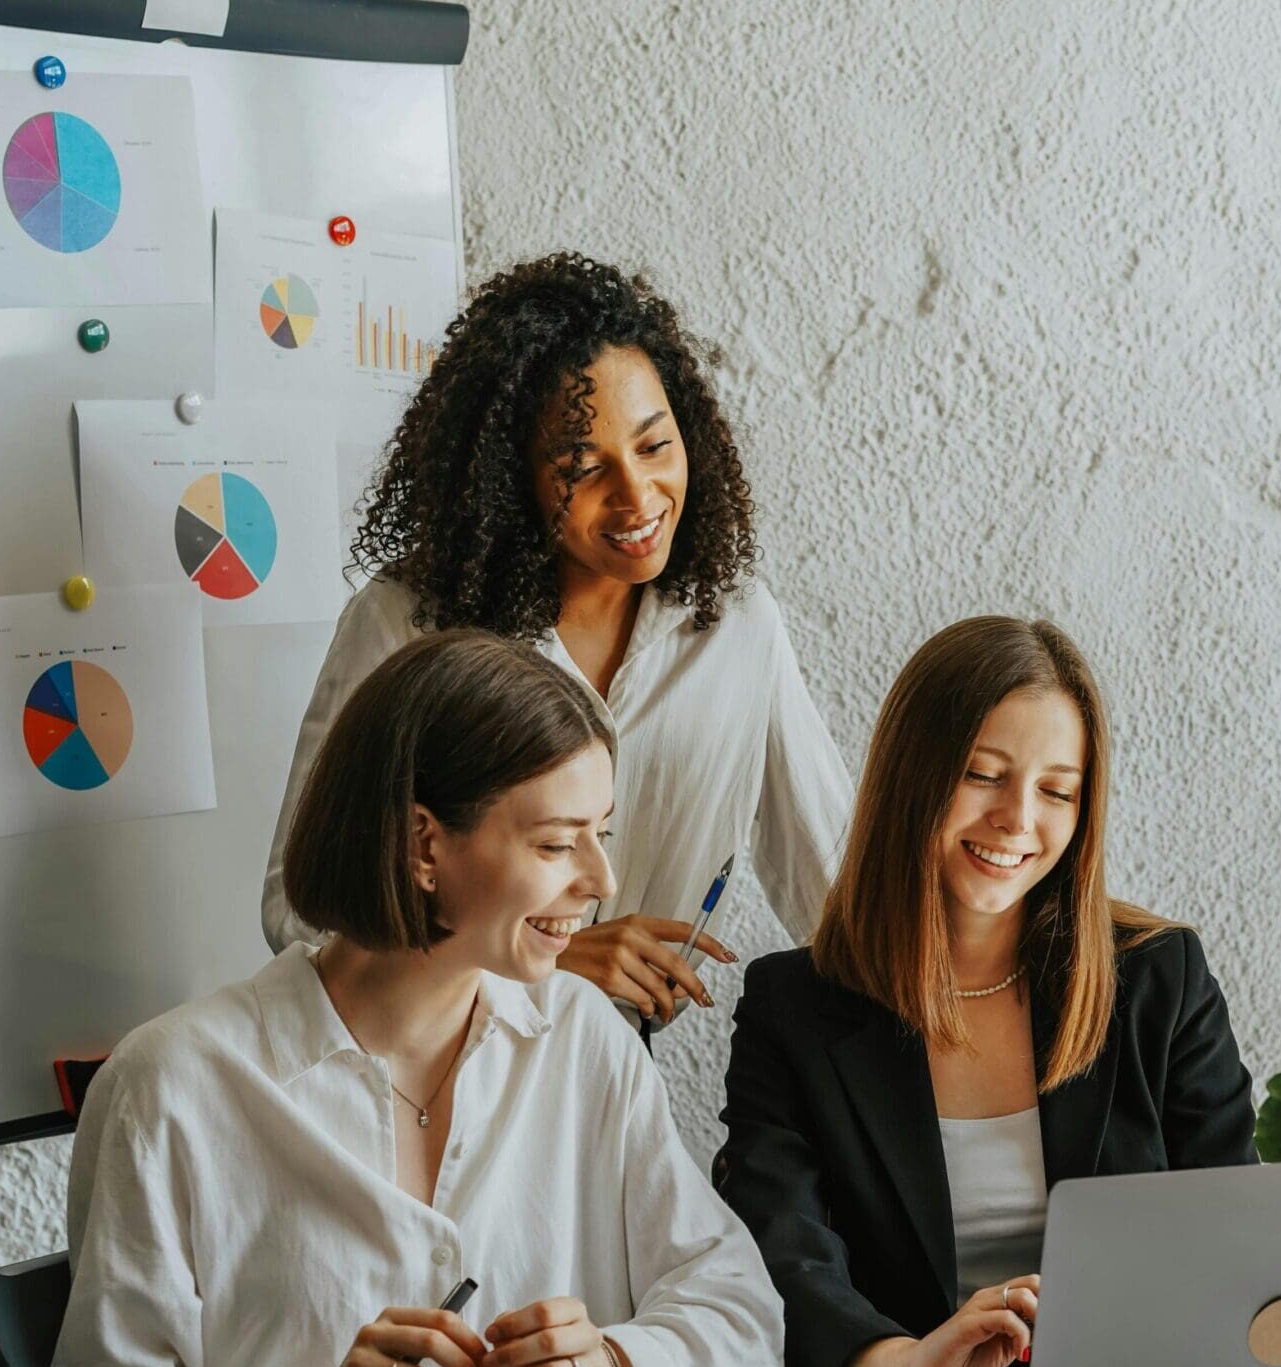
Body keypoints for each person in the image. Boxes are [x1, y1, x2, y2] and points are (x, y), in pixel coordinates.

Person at [51, 630, 784, 1367]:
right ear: (422, 843)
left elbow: (738, 1309)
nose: (601, 882)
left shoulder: (583, 1041)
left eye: (599, 834)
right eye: (555, 843)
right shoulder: (169, 1086)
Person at [262, 252, 851, 1031]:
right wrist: (545, 952)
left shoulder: (736, 627)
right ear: (511, 481)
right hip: (428, 1052)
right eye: (582, 467)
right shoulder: (405, 624)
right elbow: (303, 914)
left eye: (654, 446)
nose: (638, 497)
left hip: (614, 1063)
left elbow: (837, 889)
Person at [713, 616, 1257, 1367]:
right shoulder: (792, 1006)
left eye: (1056, 790)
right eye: (982, 774)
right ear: (913, 774)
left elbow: (1236, 1232)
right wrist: (903, 1361)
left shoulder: (1160, 980)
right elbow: (779, 1247)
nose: (1018, 819)